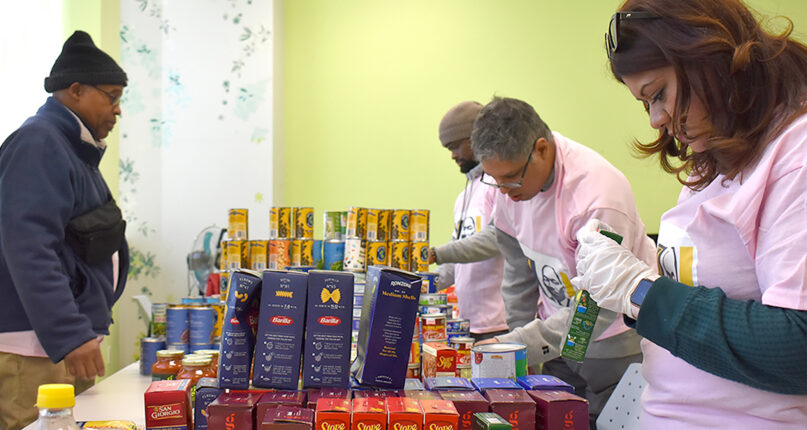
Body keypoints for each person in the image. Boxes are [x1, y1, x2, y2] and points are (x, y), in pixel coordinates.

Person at [572, 0, 807, 427]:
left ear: (708, 58)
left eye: (657, 94)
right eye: (645, 105)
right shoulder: (716, 157)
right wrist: (632, 267)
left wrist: (640, 291)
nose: (657, 120)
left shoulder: (796, 154)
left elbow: (797, 347)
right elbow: (716, 286)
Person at [471, 96, 657, 426]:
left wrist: (520, 344)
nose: (504, 191)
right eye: (494, 180)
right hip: (556, 337)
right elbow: (517, 276)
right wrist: (518, 352)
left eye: (512, 178)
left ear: (541, 149)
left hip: (612, 340)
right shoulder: (509, 191)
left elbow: (597, 309)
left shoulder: (596, 197)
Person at [0, 31, 129, 429]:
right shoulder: (40, 143)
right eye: (111, 96)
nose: (117, 110)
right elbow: (29, 247)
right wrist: (70, 333)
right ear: (75, 91)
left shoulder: (72, 148)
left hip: (58, 345)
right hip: (37, 351)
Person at [429, 101, 508, 341]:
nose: (453, 156)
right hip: (468, 324)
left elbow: (497, 239)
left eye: (455, 146)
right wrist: (416, 285)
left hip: (501, 323)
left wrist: (435, 253)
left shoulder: (501, 184)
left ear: (477, 137)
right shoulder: (464, 196)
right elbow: (455, 262)